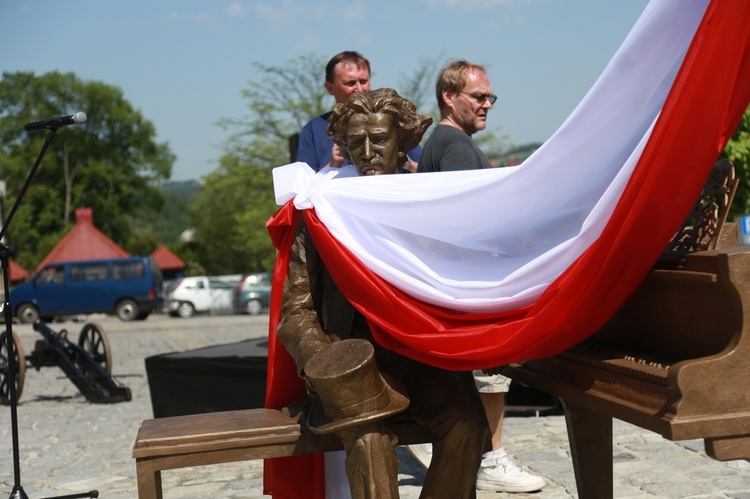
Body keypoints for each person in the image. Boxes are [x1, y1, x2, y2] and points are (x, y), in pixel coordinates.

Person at [277, 87, 490, 498]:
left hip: (419, 355)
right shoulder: (321, 209)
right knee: (370, 438)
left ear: (404, 140)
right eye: (356, 142)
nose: (368, 151)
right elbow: (296, 311)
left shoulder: (425, 203)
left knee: (469, 424)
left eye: (380, 139)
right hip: (353, 359)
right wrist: (322, 360)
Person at [416, 60, 547, 494]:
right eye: (478, 96)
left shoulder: (450, 142)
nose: (487, 104)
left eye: (490, 97)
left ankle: (484, 455)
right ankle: (490, 458)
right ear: (449, 98)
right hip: (471, 284)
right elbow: (467, 221)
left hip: (465, 281)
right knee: (488, 377)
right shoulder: (454, 145)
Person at [296, 51, 421, 172]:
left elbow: (426, 172)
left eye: (363, 81)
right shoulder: (313, 129)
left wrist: (400, 159)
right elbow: (302, 186)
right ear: (329, 87)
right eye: (350, 83)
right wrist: (333, 165)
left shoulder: (390, 120)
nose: (359, 89)